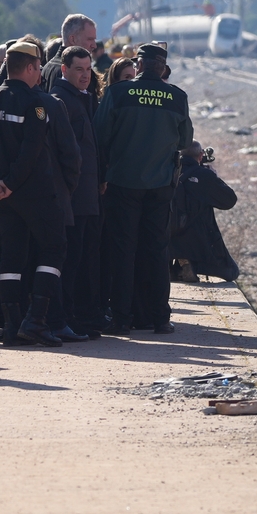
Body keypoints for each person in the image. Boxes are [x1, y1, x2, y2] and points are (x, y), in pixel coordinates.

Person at [0, 41, 79, 347]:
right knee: (54, 248)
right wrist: (10, 182)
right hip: (34, 192)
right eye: (38, 68)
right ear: (31, 67)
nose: (40, 74)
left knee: (11, 256)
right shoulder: (35, 102)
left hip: (2, 197)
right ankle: (36, 320)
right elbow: (31, 151)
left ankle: (11, 326)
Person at [96, 41, 191, 335]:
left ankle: (121, 318)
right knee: (157, 251)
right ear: (162, 68)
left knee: (123, 251)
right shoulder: (177, 97)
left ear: (138, 64)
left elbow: (101, 134)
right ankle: (160, 317)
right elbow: (185, 141)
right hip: (161, 185)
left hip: (123, 182)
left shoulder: (117, 93)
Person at [49, 46, 103, 338]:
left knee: (81, 258)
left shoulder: (82, 98)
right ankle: (65, 318)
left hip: (85, 195)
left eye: (88, 69)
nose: (85, 75)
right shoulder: (61, 101)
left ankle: (76, 316)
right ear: (64, 70)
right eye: (78, 69)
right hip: (73, 198)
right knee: (69, 261)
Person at [170, 142, 239, 283]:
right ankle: (190, 264)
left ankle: (174, 267)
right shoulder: (203, 175)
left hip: (166, 236)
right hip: (198, 239)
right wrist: (213, 178)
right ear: (201, 156)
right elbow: (229, 200)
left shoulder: (169, 171)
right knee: (232, 272)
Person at [43, 14, 98, 89]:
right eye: (89, 39)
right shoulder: (70, 73)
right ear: (72, 39)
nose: (94, 45)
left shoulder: (48, 67)